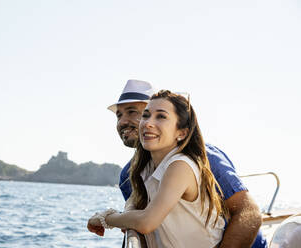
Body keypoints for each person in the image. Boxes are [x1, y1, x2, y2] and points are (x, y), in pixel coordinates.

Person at [88, 80, 266, 248]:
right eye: (119, 115)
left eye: (133, 112)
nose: (123, 122)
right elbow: (137, 223)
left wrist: (107, 218)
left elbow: (248, 212)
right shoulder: (130, 174)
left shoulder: (201, 157)